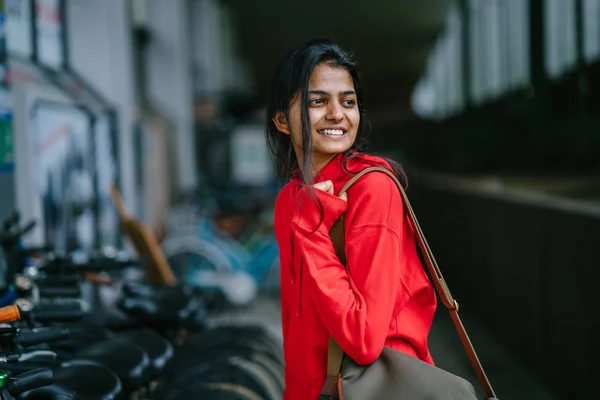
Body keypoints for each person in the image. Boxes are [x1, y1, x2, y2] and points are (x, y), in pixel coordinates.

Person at [267, 39, 437, 400]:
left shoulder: (373, 188)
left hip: (378, 389)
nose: (337, 114)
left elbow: (364, 339)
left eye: (348, 101)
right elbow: (295, 324)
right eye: (317, 101)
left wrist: (312, 227)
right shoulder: (289, 200)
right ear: (283, 120)